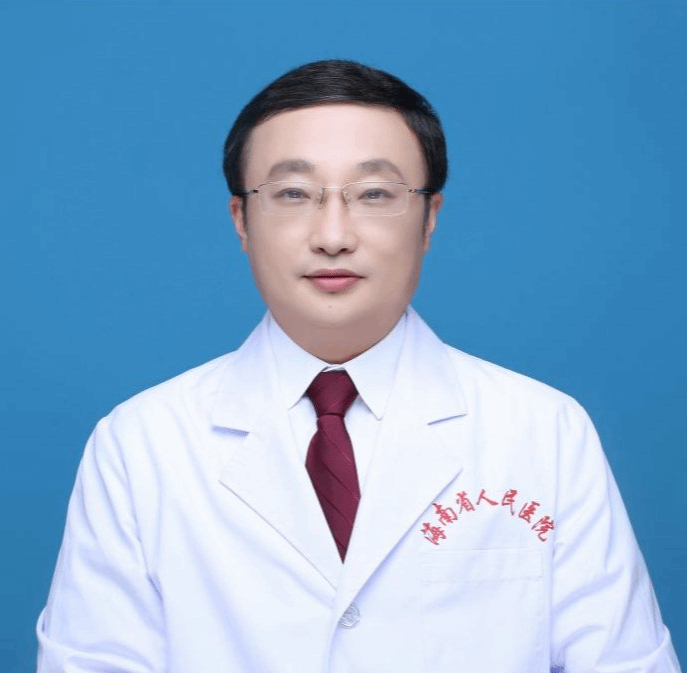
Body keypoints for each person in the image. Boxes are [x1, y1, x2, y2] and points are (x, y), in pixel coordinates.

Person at [36, 59, 680, 673]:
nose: (333, 235)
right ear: (241, 219)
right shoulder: (141, 443)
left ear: (429, 217)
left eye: (374, 193)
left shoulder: (543, 430)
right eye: (293, 193)